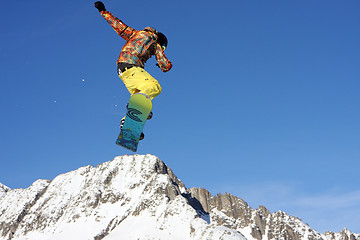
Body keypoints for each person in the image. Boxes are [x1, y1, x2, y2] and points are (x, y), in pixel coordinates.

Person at [94, 1, 172, 139]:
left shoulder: (136, 34)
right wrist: (165, 65)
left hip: (122, 69)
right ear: (161, 40)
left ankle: (128, 124)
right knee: (154, 86)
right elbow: (165, 65)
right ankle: (138, 108)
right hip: (133, 66)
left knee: (139, 93)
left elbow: (119, 26)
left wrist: (103, 11)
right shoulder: (155, 42)